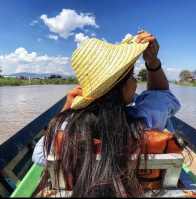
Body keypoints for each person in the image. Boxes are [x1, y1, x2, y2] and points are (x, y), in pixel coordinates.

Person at [32, 31, 181, 197]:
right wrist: (153, 62)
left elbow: (38, 155)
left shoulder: (67, 129)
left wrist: (68, 109)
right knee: (168, 124)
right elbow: (160, 93)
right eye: (131, 76)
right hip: (135, 188)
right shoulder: (146, 120)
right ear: (120, 89)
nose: (136, 81)